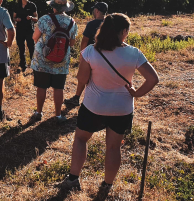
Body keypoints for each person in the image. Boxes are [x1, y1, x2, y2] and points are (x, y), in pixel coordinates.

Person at [60, 13, 159, 195]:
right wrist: (136, 93)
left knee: (81, 139)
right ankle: (107, 185)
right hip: (122, 109)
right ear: (123, 31)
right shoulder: (134, 53)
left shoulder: (91, 51)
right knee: (114, 147)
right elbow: (153, 79)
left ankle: (73, 179)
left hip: (93, 106)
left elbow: (81, 79)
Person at [30, 0, 78, 123]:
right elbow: (72, 43)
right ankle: (58, 115)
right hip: (61, 61)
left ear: (53, 7)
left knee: (41, 87)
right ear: (65, 8)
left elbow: (35, 37)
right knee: (58, 88)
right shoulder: (72, 22)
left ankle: (38, 112)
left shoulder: (45, 19)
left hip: (42, 59)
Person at [64, 2, 108, 108]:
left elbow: (85, 41)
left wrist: (81, 55)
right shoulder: (110, 23)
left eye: (94, 10)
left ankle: (77, 98)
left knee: (83, 77)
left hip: (91, 54)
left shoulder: (92, 24)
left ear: (97, 11)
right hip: (107, 55)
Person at [13, 0, 38, 73]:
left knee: (31, 48)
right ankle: (23, 66)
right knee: (21, 48)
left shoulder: (32, 5)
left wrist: (31, 18)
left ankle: (34, 66)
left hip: (29, 29)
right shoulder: (17, 6)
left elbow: (36, 18)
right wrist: (17, 19)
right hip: (20, 30)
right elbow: (14, 17)